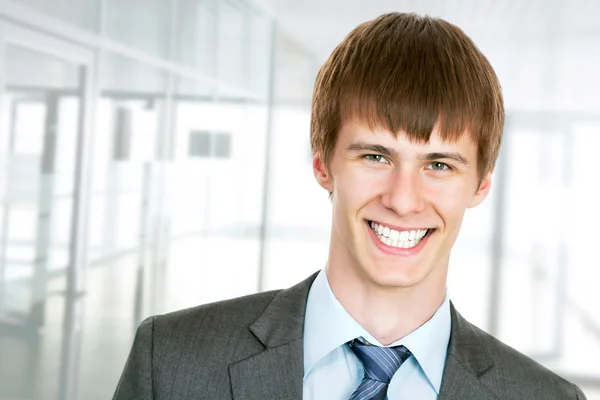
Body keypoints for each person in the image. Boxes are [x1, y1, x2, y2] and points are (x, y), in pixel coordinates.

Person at [113, 12, 587, 400]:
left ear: (481, 184)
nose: (403, 199)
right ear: (322, 164)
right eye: (376, 157)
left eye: (439, 164)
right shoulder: (172, 362)